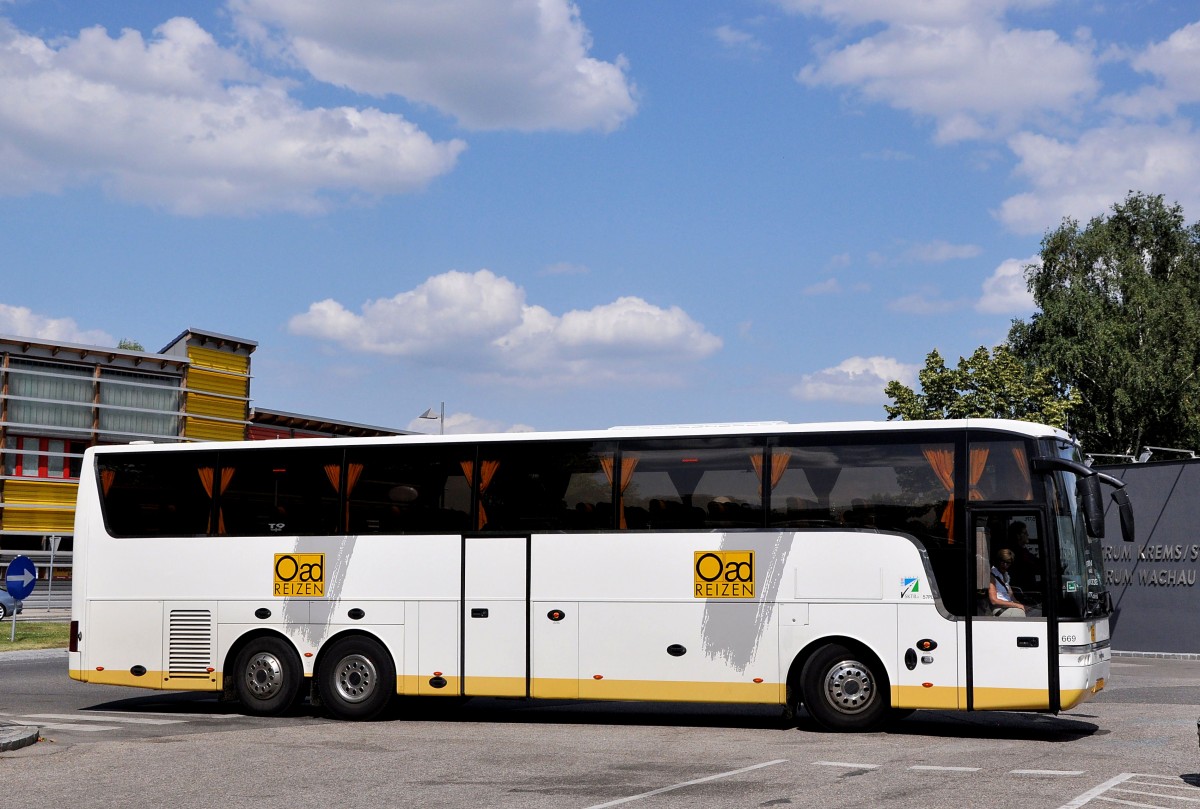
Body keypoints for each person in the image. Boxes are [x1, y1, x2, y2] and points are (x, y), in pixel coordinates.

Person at [988, 548, 1026, 617]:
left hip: (1009, 606)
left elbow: (1012, 597)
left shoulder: (1006, 575)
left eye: (1008, 563)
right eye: (1003, 562)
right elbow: (994, 601)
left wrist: (1020, 604)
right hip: (1000, 608)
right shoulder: (992, 575)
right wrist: (1016, 605)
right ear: (998, 561)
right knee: (1020, 614)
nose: (1005, 565)